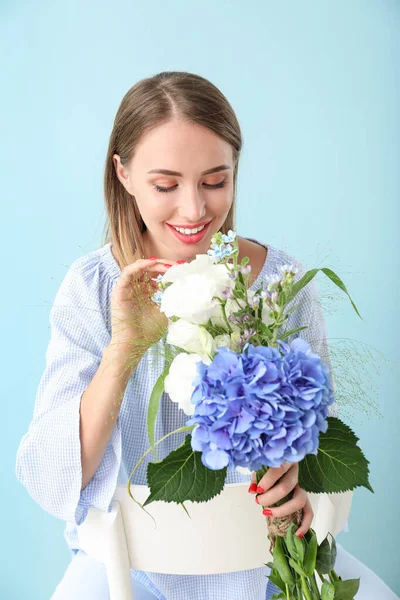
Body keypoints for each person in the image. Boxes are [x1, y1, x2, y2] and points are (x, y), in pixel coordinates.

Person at [15, 71, 398, 600]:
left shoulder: (281, 285)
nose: (195, 210)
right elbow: (56, 475)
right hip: (127, 572)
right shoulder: (91, 289)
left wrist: (299, 478)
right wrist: (125, 346)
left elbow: (318, 441)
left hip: (267, 568)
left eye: (215, 181)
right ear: (123, 174)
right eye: (166, 185)